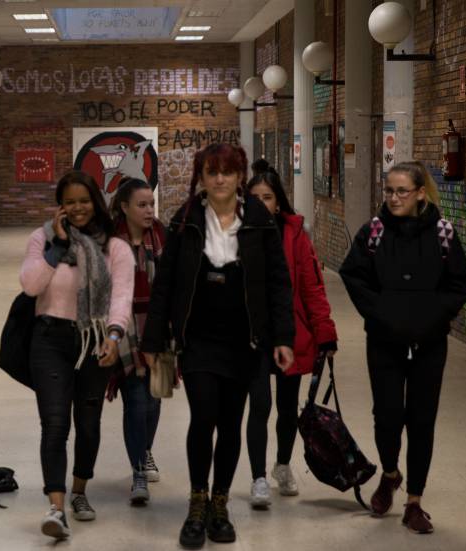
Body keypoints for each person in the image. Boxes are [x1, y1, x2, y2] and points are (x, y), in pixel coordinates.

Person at [141, 144, 294, 548]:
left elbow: (278, 282)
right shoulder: (185, 218)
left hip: (244, 340)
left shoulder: (259, 220)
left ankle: (220, 504)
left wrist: (282, 338)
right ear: (201, 177)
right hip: (198, 339)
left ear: (240, 176)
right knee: (203, 417)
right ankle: (197, 503)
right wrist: (154, 339)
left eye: (228, 172)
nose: (220, 179)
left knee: (230, 424)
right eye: (212, 172)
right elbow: (166, 284)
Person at [339, 161, 466, 534]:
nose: (393, 197)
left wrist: (434, 315)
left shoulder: (443, 234)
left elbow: (461, 283)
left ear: (420, 194)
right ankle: (390, 473)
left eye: (401, 191)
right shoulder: (374, 232)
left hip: (430, 344)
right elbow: (353, 274)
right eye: (389, 190)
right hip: (384, 341)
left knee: (421, 420)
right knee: (386, 416)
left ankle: (414, 500)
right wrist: (380, 312)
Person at [19, 170, 134, 540]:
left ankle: (80, 491)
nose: (78, 208)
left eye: (84, 200)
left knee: (88, 424)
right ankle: (56, 505)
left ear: (95, 202)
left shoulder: (114, 247)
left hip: (96, 342)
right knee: (54, 424)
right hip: (49, 339)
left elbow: (121, 297)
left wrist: (114, 335)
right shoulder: (43, 239)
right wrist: (57, 246)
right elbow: (31, 285)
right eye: (70, 201)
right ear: (60, 206)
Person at [244, 162, 338, 508]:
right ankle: (257, 478)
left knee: (286, 408)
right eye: (254, 197)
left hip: (291, 333)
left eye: (267, 197)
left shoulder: (294, 235)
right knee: (260, 405)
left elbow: (313, 287)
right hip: (253, 336)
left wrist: (325, 333)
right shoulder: (236, 233)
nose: (261, 203)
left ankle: (282, 465)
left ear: (278, 202)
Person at [105, 177, 166, 506]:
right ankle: (138, 470)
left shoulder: (161, 236)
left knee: (155, 401)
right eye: (141, 205)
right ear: (124, 207)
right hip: (125, 329)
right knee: (136, 401)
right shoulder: (112, 242)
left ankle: (145, 450)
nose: (149, 210)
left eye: (151, 204)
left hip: (158, 329)